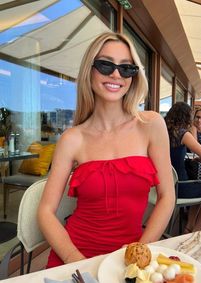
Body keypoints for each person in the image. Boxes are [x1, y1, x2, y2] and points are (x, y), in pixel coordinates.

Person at [37, 32, 175, 268]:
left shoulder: (150, 125)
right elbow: (45, 211)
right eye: (105, 64)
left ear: (134, 75)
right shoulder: (72, 139)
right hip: (73, 258)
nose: (115, 74)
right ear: (89, 71)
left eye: (126, 68)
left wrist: (142, 248)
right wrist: (75, 261)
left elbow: (167, 197)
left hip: (128, 260)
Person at [165, 102, 201, 233]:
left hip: (162, 186)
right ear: (186, 117)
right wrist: (199, 157)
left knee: (198, 186)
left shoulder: (162, 132)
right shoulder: (183, 134)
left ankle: (188, 228)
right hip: (179, 187)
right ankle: (195, 232)